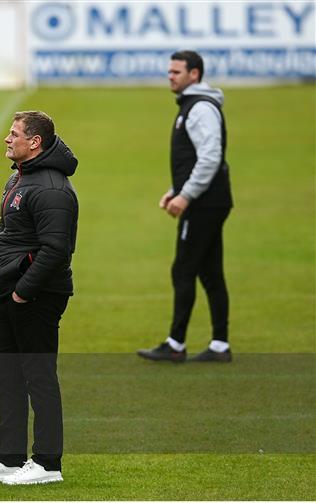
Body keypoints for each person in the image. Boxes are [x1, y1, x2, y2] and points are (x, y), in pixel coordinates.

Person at [0, 111, 78, 485]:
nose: (6, 139)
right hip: (11, 291)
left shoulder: (50, 187)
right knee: (7, 375)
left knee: (38, 376)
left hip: (36, 295)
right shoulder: (20, 177)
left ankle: (47, 463)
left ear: (35, 143)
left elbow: (56, 250)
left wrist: (21, 292)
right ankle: (10, 457)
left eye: (14, 134)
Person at [137, 50, 233, 363]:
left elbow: (209, 157)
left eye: (177, 72)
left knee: (184, 269)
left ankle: (176, 344)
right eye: (169, 71)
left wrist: (186, 195)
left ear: (194, 74)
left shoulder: (200, 108)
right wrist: (174, 190)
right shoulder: (193, 106)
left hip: (204, 204)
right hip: (209, 199)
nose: (171, 76)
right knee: (210, 272)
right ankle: (220, 345)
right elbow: (195, 159)